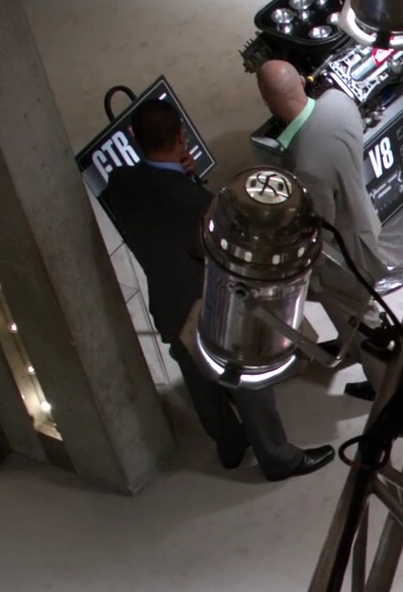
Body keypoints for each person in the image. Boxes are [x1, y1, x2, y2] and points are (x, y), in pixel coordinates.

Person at [102, 99, 332, 481]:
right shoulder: (200, 204)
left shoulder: (120, 183)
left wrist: (183, 178)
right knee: (246, 382)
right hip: (210, 310)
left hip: (167, 304)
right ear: (181, 136)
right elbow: (218, 251)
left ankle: (229, 445)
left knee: (198, 383)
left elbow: (158, 204)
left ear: (134, 139)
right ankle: (278, 458)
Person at [257, 60, 391, 401]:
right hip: (364, 222)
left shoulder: (305, 165)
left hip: (346, 257)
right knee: (352, 313)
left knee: (362, 321)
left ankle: (385, 387)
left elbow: (320, 230)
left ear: (268, 101)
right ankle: (349, 343)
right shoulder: (338, 102)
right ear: (302, 82)